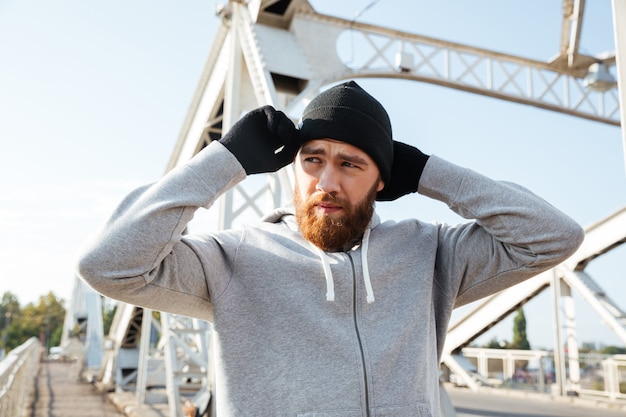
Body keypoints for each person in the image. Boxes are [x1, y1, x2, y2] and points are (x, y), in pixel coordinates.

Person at [76, 80, 584, 416]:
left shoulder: (432, 255)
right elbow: (107, 266)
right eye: (313, 160)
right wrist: (224, 160)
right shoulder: (231, 261)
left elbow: (555, 236)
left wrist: (432, 173)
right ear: (292, 171)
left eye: (351, 164)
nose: (327, 180)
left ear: (382, 181)